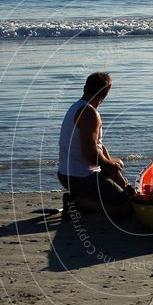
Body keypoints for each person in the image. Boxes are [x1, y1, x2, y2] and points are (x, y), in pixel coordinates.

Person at [58, 71, 133, 218]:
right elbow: (91, 154)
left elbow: (98, 145)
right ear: (105, 95)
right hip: (80, 177)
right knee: (127, 207)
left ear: (85, 88)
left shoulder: (76, 106)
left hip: (66, 173)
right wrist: (110, 166)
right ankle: (77, 203)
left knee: (118, 163)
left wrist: (113, 166)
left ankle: (89, 199)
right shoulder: (90, 114)